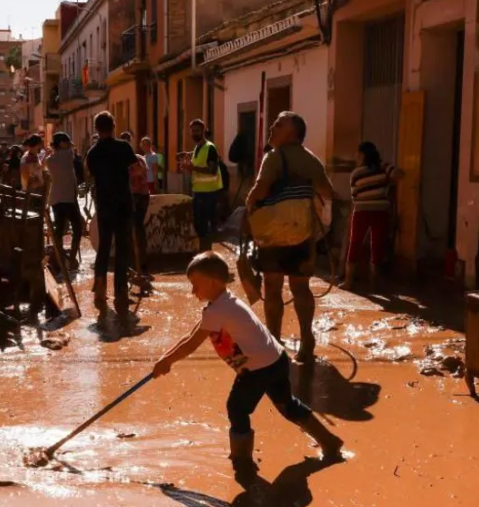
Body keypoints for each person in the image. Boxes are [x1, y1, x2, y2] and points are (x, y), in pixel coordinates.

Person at [152, 252, 344, 470]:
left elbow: (192, 343)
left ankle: (242, 460)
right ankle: (329, 442)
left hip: (257, 369)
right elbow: (191, 335)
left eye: (196, 285)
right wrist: (165, 359)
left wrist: (167, 361)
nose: (193, 291)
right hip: (276, 359)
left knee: (236, 408)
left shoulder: (217, 310)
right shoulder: (225, 302)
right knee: (287, 405)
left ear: (214, 282)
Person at [245, 111, 334, 363]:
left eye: (279, 123)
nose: (272, 126)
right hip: (303, 234)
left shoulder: (273, 157)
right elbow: (327, 192)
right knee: (301, 287)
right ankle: (307, 341)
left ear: (292, 132)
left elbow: (260, 189)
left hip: (273, 235)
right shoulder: (311, 160)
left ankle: (273, 342)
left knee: (272, 288)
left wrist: (249, 205)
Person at [86, 112, 137, 325]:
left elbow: (90, 175)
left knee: (104, 247)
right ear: (114, 126)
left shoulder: (93, 153)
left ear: (97, 129)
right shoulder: (123, 147)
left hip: (105, 205)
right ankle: (121, 292)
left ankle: (99, 291)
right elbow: (135, 170)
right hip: (123, 204)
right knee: (123, 249)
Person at [341, 141, 403, 290]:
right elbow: (400, 174)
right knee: (377, 245)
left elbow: (354, 195)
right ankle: (374, 284)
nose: (356, 155)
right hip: (380, 211)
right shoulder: (383, 167)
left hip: (361, 211)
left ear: (362, 155)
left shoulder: (356, 173)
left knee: (354, 244)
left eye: (358, 153)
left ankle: (348, 282)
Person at [179, 119, 222, 252]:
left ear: (203, 131)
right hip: (198, 192)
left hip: (209, 193)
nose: (194, 134)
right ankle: (204, 254)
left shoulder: (210, 148)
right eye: (192, 131)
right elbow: (196, 167)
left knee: (205, 227)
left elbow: (212, 170)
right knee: (198, 226)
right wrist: (188, 166)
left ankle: (207, 255)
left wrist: (192, 168)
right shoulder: (197, 147)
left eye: (197, 131)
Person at [45, 132, 83, 269]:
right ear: (61, 143)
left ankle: (59, 257)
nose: (69, 144)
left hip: (56, 198)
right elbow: (71, 150)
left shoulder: (49, 160)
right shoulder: (67, 155)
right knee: (78, 228)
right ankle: (71, 259)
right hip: (68, 198)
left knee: (59, 229)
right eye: (66, 142)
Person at [120, 132, 151, 277]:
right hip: (129, 196)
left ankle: (141, 262)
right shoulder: (120, 160)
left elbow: (142, 172)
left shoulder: (138, 159)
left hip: (140, 196)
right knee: (130, 228)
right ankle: (133, 261)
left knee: (137, 227)